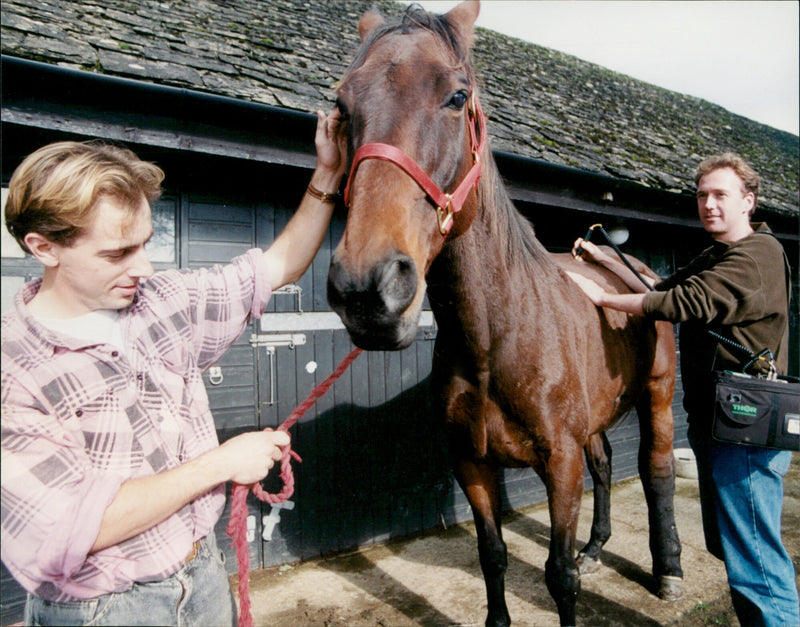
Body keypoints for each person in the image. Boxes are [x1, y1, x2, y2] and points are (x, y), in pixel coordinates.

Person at [1, 108, 347, 626]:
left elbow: (277, 264)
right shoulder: (14, 373)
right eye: (118, 253)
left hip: (203, 575)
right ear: (44, 247)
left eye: (145, 244)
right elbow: (71, 530)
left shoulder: (160, 302)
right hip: (105, 610)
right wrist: (222, 462)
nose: (143, 267)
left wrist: (327, 175)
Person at [568, 153, 799, 627]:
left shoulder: (758, 256)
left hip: (747, 431)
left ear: (747, 202)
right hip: (719, 421)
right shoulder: (720, 253)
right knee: (734, 548)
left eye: (721, 195)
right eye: (702, 195)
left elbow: (680, 301)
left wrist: (603, 297)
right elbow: (663, 282)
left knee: (755, 562)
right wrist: (605, 259)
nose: (709, 205)